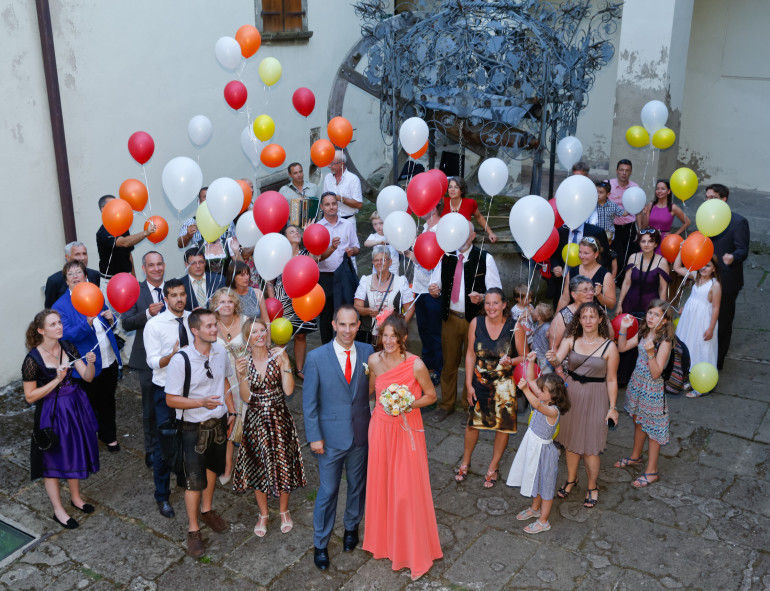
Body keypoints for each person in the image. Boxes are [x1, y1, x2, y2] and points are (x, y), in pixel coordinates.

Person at [363, 314, 442, 580]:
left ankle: (414, 553)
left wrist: (407, 403)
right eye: (384, 335)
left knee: (406, 491)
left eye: (393, 336)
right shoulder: (373, 361)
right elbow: (371, 392)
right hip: (381, 429)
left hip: (407, 429)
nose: (388, 340)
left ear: (403, 338)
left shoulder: (416, 365)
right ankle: (385, 544)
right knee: (382, 485)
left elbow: (431, 396)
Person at [302, 305, 374, 571]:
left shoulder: (368, 353)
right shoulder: (316, 357)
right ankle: (320, 543)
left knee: (357, 485)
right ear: (333, 325)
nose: (347, 330)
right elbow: (308, 403)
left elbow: (375, 390)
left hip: (359, 434)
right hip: (329, 439)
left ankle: (351, 528)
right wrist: (314, 437)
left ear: (358, 326)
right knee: (328, 491)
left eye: (352, 325)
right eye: (342, 325)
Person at [165, 308, 236, 557]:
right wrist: (201, 403)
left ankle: (207, 512)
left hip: (218, 423)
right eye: (208, 326)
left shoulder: (220, 351)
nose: (214, 329)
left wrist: (232, 411)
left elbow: (225, 381)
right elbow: (171, 400)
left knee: (212, 470)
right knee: (194, 482)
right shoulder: (180, 360)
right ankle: (193, 530)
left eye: (215, 325)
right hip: (192, 428)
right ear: (194, 330)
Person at [22, 309, 99, 529]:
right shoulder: (32, 360)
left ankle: (76, 498)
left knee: (75, 451)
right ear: (41, 330)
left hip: (75, 408)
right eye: (53, 324)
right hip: (52, 413)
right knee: (52, 461)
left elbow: (87, 377)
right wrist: (57, 380)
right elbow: (29, 397)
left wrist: (91, 362)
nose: (59, 327)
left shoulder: (69, 347)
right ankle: (58, 510)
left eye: (59, 323)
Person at [232, 318, 306, 536]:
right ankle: (263, 514)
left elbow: (289, 391)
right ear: (248, 338)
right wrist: (241, 375)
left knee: (283, 463)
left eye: (263, 330)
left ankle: (284, 511)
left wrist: (287, 364)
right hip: (255, 420)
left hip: (279, 418)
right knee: (257, 466)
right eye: (254, 332)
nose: (260, 335)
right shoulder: (243, 361)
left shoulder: (278, 356)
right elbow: (246, 397)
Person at [545, 302, 619, 508]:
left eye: (592, 317)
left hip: (597, 397)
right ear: (579, 319)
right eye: (583, 317)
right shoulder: (571, 339)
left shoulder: (610, 347)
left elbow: (612, 380)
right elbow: (558, 360)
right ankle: (571, 479)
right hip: (572, 394)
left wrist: (613, 407)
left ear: (600, 320)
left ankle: (592, 487)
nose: (587, 321)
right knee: (570, 442)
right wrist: (553, 358)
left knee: (591, 448)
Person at [428, 221, 502, 421]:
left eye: (463, 233)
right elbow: (434, 284)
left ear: (472, 235)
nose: (459, 236)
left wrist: (483, 297)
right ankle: (446, 405)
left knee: (475, 364)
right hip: (450, 318)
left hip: (475, 321)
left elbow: (496, 293)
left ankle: (469, 405)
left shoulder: (485, 258)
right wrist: (433, 289)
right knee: (449, 364)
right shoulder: (447, 256)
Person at [455, 288, 525, 486]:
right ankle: (465, 461)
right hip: (480, 381)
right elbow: (470, 354)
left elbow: (525, 356)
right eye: (487, 303)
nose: (491, 307)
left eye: (495, 303)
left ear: (504, 305)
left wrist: (511, 361)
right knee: (472, 424)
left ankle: (493, 467)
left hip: (505, 385)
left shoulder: (515, 327)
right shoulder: (476, 323)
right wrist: (468, 384)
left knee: (502, 427)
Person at [53, 261, 122, 452]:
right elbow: (64, 335)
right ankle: (89, 439)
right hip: (86, 364)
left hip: (108, 357)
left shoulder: (95, 294)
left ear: (85, 276)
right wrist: (88, 324)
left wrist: (111, 318)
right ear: (66, 280)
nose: (75, 277)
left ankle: (109, 436)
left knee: (108, 399)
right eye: (70, 274)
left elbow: (110, 325)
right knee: (88, 405)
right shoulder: (60, 306)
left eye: (78, 272)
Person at [143, 279, 192, 518]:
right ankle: (162, 495)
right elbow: (152, 362)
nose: (179, 299)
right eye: (173, 295)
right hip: (165, 392)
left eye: (182, 294)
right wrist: (171, 356)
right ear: (165, 299)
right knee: (165, 443)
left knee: (189, 436)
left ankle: (185, 476)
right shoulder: (154, 325)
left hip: (192, 390)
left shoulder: (194, 319)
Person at [615, 300, 674, 488]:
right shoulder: (644, 332)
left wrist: (650, 353)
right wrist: (623, 329)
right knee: (638, 420)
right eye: (650, 313)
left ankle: (652, 471)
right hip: (638, 383)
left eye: (657, 315)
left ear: (665, 321)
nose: (651, 317)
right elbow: (622, 348)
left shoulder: (664, 340)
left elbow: (656, 373)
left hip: (652, 388)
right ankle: (635, 456)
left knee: (653, 429)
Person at [507, 362, 570, 535]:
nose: (538, 392)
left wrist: (526, 389)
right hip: (533, 447)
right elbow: (530, 379)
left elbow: (537, 405)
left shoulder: (552, 410)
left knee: (546, 486)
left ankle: (543, 521)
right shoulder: (543, 397)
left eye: (542, 391)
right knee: (535, 480)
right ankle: (535, 508)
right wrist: (531, 361)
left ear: (553, 395)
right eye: (539, 390)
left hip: (544, 453)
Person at [122, 251, 166, 468]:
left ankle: (171, 444)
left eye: (159, 264)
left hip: (173, 357)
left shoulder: (173, 289)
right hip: (147, 359)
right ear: (144, 268)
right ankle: (151, 449)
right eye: (151, 265)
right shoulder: (135, 291)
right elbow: (126, 322)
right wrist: (148, 314)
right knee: (150, 407)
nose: (156, 268)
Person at [704, 184, 750, 369]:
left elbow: (742, 249)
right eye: (706, 197)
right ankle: (703, 354)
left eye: (713, 198)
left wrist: (733, 257)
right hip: (706, 278)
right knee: (705, 318)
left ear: (724, 200)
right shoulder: (704, 219)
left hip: (727, 281)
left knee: (722, 323)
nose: (708, 201)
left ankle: (717, 362)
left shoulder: (738, 222)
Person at [616, 229, 670, 385]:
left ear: (655, 243)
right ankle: (623, 377)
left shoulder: (662, 262)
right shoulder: (633, 257)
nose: (646, 244)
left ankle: (638, 375)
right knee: (627, 336)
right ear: (639, 243)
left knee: (644, 339)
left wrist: (662, 312)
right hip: (630, 304)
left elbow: (662, 288)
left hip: (650, 308)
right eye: (643, 241)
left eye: (650, 241)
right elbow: (626, 282)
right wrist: (620, 303)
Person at [269, 225, 318, 379]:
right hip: (282, 299)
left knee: (301, 335)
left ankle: (299, 369)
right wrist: (272, 301)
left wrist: (309, 234)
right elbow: (269, 281)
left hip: (303, 299)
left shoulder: (306, 253)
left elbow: (314, 260)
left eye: (298, 231)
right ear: (285, 237)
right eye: (292, 231)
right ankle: (277, 368)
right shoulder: (279, 255)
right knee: (280, 335)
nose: (297, 232)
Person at [210, 288, 247, 484]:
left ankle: (251, 462)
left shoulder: (245, 321)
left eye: (230, 302)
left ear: (235, 304)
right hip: (220, 379)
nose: (226, 305)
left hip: (244, 377)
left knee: (247, 418)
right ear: (215, 305)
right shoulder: (209, 324)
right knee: (228, 420)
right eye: (222, 302)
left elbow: (258, 345)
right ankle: (227, 463)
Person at [405, 201, 443, 385]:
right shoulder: (424, 228)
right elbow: (419, 258)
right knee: (424, 330)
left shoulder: (441, 230)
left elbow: (440, 260)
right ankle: (427, 367)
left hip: (433, 289)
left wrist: (438, 284)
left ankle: (439, 369)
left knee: (435, 332)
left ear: (434, 207)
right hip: (419, 288)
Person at [316, 191, 360, 344]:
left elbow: (357, 248)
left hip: (344, 275)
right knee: (326, 314)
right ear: (322, 207)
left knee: (346, 311)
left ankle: (346, 345)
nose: (331, 207)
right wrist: (331, 248)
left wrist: (351, 251)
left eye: (334, 203)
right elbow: (316, 257)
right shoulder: (318, 228)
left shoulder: (347, 224)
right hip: (325, 276)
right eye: (327, 204)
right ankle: (327, 347)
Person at [674, 256, 721, 397]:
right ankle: (689, 377)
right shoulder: (695, 276)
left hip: (703, 320)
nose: (704, 268)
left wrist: (711, 328)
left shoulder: (715, 285)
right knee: (687, 345)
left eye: (708, 266)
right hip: (689, 318)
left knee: (701, 347)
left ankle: (701, 384)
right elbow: (677, 268)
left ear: (714, 269)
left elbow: (716, 308)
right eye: (702, 265)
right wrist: (681, 250)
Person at [354, 245, 415, 341]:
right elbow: (356, 307)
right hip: (369, 336)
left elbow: (410, 309)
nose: (379, 263)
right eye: (376, 260)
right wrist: (368, 311)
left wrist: (399, 327)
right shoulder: (365, 281)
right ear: (373, 263)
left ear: (390, 262)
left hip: (392, 338)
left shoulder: (400, 282)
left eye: (383, 260)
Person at [96, 195, 154, 282]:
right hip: (109, 280)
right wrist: (145, 233)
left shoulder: (123, 227)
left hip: (127, 276)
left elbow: (128, 253)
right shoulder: (102, 232)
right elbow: (124, 242)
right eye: (113, 204)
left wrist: (133, 276)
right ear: (103, 209)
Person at [557, 236, 616, 311]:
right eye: (580, 252)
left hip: (593, 318)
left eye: (586, 253)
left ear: (596, 254)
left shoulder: (605, 275)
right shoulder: (572, 272)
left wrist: (599, 295)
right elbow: (565, 299)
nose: (581, 256)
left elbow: (611, 304)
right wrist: (556, 319)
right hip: (573, 317)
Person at [44, 242, 101, 308]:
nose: (82, 258)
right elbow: (49, 311)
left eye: (84, 254)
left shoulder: (95, 275)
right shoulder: (54, 281)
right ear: (67, 257)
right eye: (77, 254)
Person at [639, 180, 690, 253]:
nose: (659, 191)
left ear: (668, 191)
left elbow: (687, 222)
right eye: (657, 189)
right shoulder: (651, 205)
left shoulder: (673, 208)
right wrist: (644, 213)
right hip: (649, 239)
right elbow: (644, 226)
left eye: (663, 189)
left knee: (661, 262)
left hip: (664, 241)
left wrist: (674, 235)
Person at [441, 176, 497, 243]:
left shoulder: (470, 203)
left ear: (461, 190)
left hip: (464, 241)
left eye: (456, 187)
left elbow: (479, 217)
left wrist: (490, 232)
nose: (452, 189)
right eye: (450, 187)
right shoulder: (442, 202)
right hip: (445, 240)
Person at [547, 275, 595, 353]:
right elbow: (553, 347)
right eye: (585, 290)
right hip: (569, 363)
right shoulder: (563, 316)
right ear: (574, 295)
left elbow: (610, 336)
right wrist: (558, 365)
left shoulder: (599, 311)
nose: (591, 293)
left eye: (592, 289)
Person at [608, 159, 640, 271]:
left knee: (630, 257)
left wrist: (639, 230)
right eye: (621, 170)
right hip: (612, 227)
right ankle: (615, 281)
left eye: (627, 170)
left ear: (631, 172)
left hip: (629, 228)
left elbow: (639, 210)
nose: (624, 173)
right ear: (617, 171)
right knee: (616, 257)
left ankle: (623, 284)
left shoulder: (635, 187)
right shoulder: (608, 185)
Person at [323, 150, 363, 228]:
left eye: (332, 163)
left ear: (341, 164)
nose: (329, 166)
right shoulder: (327, 177)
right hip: (330, 222)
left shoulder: (353, 179)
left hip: (348, 222)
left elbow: (359, 204)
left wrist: (340, 198)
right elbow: (324, 200)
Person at [529, 303, 555, 374]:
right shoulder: (538, 323)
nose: (533, 311)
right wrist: (533, 344)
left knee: (545, 375)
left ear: (539, 317)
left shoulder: (547, 329)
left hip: (544, 358)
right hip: (538, 355)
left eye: (535, 310)